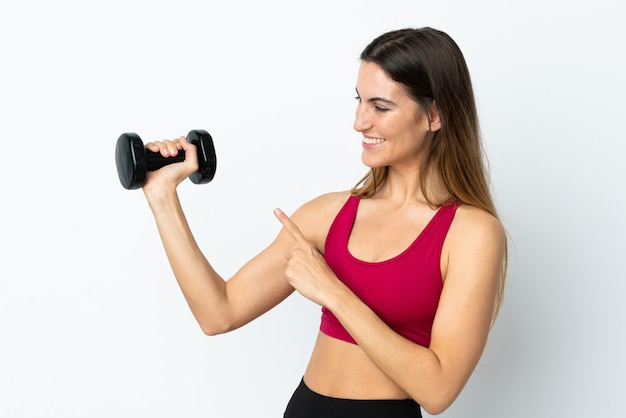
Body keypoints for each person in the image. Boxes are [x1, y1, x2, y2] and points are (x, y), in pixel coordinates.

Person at [140, 27, 507, 418]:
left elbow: (437, 391)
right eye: (359, 101)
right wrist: (162, 197)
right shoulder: (326, 215)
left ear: (434, 115)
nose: (359, 122)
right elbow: (218, 313)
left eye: (380, 107)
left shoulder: (472, 234)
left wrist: (333, 292)